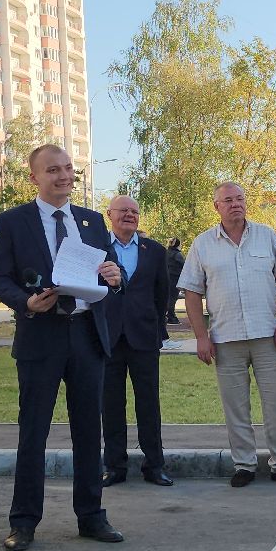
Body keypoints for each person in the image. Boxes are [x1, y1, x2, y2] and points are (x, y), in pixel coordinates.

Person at [0, 143, 126, 551]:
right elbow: (0, 279)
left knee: (88, 431)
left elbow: (111, 275)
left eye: (68, 168)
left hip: (86, 335)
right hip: (41, 336)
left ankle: (91, 516)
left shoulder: (92, 221)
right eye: (53, 170)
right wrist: (25, 303)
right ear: (34, 177)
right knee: (33, 433)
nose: (64, 176)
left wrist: (114, 275)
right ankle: (24, 521)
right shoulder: (13, 221)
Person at [181, 181, 276, 488]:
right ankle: (245, 465)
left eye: (240, 199)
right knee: (235, 406)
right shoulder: (202, 244)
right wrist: (201, 336)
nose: (235, 204)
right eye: (228, 200)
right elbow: (192, 293)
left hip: (267, 336)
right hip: (225, 339)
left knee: (274, 402)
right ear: (216, 207)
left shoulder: (267, 236)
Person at [101, 194, 175, 488]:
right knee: (111, 404)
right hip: (107, 338)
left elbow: (162, 293)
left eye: (134, 211)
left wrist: (157, 329)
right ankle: (114, 466)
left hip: (144, 338)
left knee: (148, 403)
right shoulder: (96, 248)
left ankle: (154, 465)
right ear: (109, 214)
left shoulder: (154, 250)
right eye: (123, 210)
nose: (129, 215)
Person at [163, 237, 186, 326]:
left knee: (167, 297)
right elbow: (184, 265)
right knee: (172, 298)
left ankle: (165, 316)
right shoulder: (177, 254)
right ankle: (171, 317)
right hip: (174, 278)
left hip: (167, 277)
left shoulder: (166, 253)